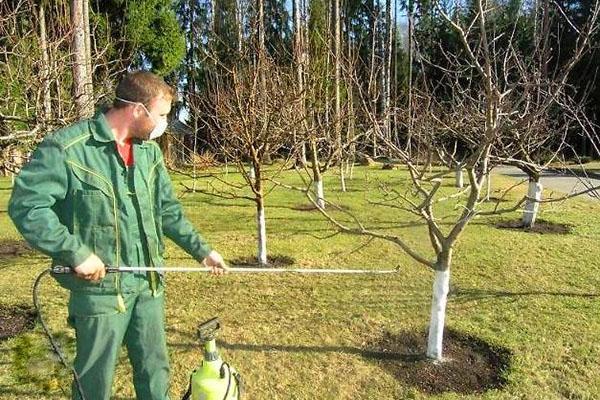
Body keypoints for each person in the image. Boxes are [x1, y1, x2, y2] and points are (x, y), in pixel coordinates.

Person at [8, 71, 226, 400]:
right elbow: (28, 207)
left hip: (149, 286)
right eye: (163, 114)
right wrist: (75, 252)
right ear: (138, 110)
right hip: (99, 293)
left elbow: (167, 211)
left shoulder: (150, 154)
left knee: (155, 372)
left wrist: (203, 251)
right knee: (94, 383)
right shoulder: (67, 149)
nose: (164, 123)